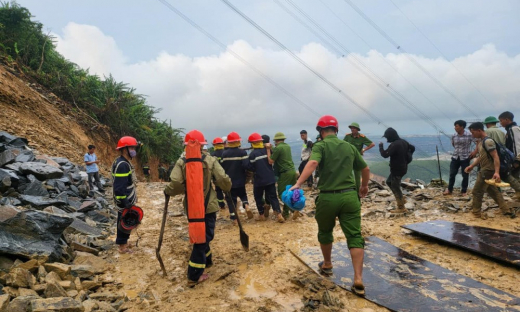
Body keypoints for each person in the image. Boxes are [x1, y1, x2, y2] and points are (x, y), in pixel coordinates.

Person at [290, 115, 369, 296]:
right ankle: (358, 278)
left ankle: (327, 264)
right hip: (350, 196)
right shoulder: (349, 146)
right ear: (336, 130)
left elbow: (313, 162)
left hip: (328, 197)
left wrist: (298, 183)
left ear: (321, 131)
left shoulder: (321, 145)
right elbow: (365, 169)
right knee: (355, 235)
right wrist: (364, 186)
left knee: (325, 231)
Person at [164, 130, 232, 286]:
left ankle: (207, 260)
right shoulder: (209, 160)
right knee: (203, 238)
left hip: (192, 207)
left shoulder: (181, 161)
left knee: (199, 233)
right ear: (202, 145)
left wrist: (168, 191)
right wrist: (228, 186)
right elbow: (222, 178)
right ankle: (194, 275)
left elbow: (175, 183)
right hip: (208, 206)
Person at [464, 122, 514, 218]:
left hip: (487, 170)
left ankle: (476, 212)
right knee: (493, 191)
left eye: (473, 132)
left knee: (477, 191)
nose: (472, 134)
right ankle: (506, 210)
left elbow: (496, 157)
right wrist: (472, 166)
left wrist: (496, 172)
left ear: (479, 130)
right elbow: (481, 157)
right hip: (486, 169)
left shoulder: (488, 142)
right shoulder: (481, 142)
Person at [247, 133, 284, 222]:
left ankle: (262, 215)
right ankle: (279, 214)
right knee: (273, 196)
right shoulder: (268, 150)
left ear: (252, 143)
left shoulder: (252, 154)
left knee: (258, 197)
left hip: (259, 179)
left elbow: (251, 167)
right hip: (270, 178)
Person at [111, 136, 139, 253]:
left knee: (124, 220)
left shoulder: (122, 162)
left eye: (133, 147)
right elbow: (119, 188)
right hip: (124, 199)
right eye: (131, 147)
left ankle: (124, 242)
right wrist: (125, 202)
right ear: (124, 149)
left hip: (125, 199)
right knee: (123, 221)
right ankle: (122, 247)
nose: (133, 150)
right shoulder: (122, 165)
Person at [379, 127, 414, 214]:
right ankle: (401, 199)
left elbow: (385, 155)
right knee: (389, 182)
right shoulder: (403, 142)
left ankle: (401, 207)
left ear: (390, 136)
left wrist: (380, 147)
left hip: (397, 169)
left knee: (395, 186)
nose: (387, 139)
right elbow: (412, 148)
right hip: (402, 167)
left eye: (387, 137)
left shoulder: (395, 144)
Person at [220, 131, 253, 222]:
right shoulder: (242, 152)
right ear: (238, 141)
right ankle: (246, 205)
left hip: (229, 181)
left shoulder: (224, 154)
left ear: (228, 142)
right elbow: (247, 165)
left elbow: (222, 168)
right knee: (243, 194)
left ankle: (234, 218)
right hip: (240, 179)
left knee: (231, 200)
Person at [266, 132, 297, 220]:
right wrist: (272, 148)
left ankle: (292, 210)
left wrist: (268, 150)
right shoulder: (287, 146)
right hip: (292, 171)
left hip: (285, 173)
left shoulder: (278, 148)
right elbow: (278, 151)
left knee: (281, 194)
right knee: (289, 192)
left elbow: (270, 161)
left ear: (276, 140)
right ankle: (286, 213)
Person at [443, 120, 476, 196]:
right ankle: (449, 189)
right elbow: (454, 144)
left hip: (465, 157)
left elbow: (477, 142)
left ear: (462, 127)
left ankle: (464, 191)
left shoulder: (469, 135)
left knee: (465, 174)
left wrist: (474, 152)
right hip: (455, 157)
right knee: (452, 173)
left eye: (456, 126)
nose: (455, 128)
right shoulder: (454, 135)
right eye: (455, 126)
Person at [343, 122, 375, 191]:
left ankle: (357, 191)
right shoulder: (347, 136)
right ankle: (347, 189)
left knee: (357, 175)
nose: (352, 129)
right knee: (346, 173)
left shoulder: (362, 137)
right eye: (351, 128)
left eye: (354, 128)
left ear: (357, 129)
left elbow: (372, 144)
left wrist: (364, 149)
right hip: (348, 158)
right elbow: (343, 145)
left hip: (357, 158)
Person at [499, 111, 520, 179]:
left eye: (501, 121)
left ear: (507, 119)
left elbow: (516, 145)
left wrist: (517, 161)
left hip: (517, 159)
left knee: (516, 180)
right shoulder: (509, 130)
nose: (500, 123)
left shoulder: (513, 129)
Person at [211, 137, 226, 209]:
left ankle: (221, 204)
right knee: (227, 189)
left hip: (216, 176)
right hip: (226, 174)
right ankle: (231, 203)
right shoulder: (226, 152)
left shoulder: (213, 154)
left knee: (218, 190)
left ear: (214, 145)